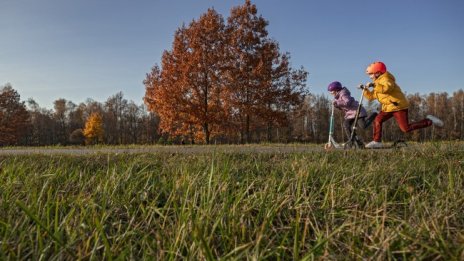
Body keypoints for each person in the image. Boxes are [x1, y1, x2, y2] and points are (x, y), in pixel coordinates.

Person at [362, 61, 443, 149]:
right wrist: (365, 90)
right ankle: (376, 141)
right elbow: (371, 97)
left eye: (371, 74)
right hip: (388, 108)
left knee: (406, 129)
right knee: (377, 120)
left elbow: (386, 89)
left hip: (398, 106)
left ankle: (429, 120)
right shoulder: (377, 82)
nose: (370, 77)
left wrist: (373, 85)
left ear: (377, 73)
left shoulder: (386, 79)